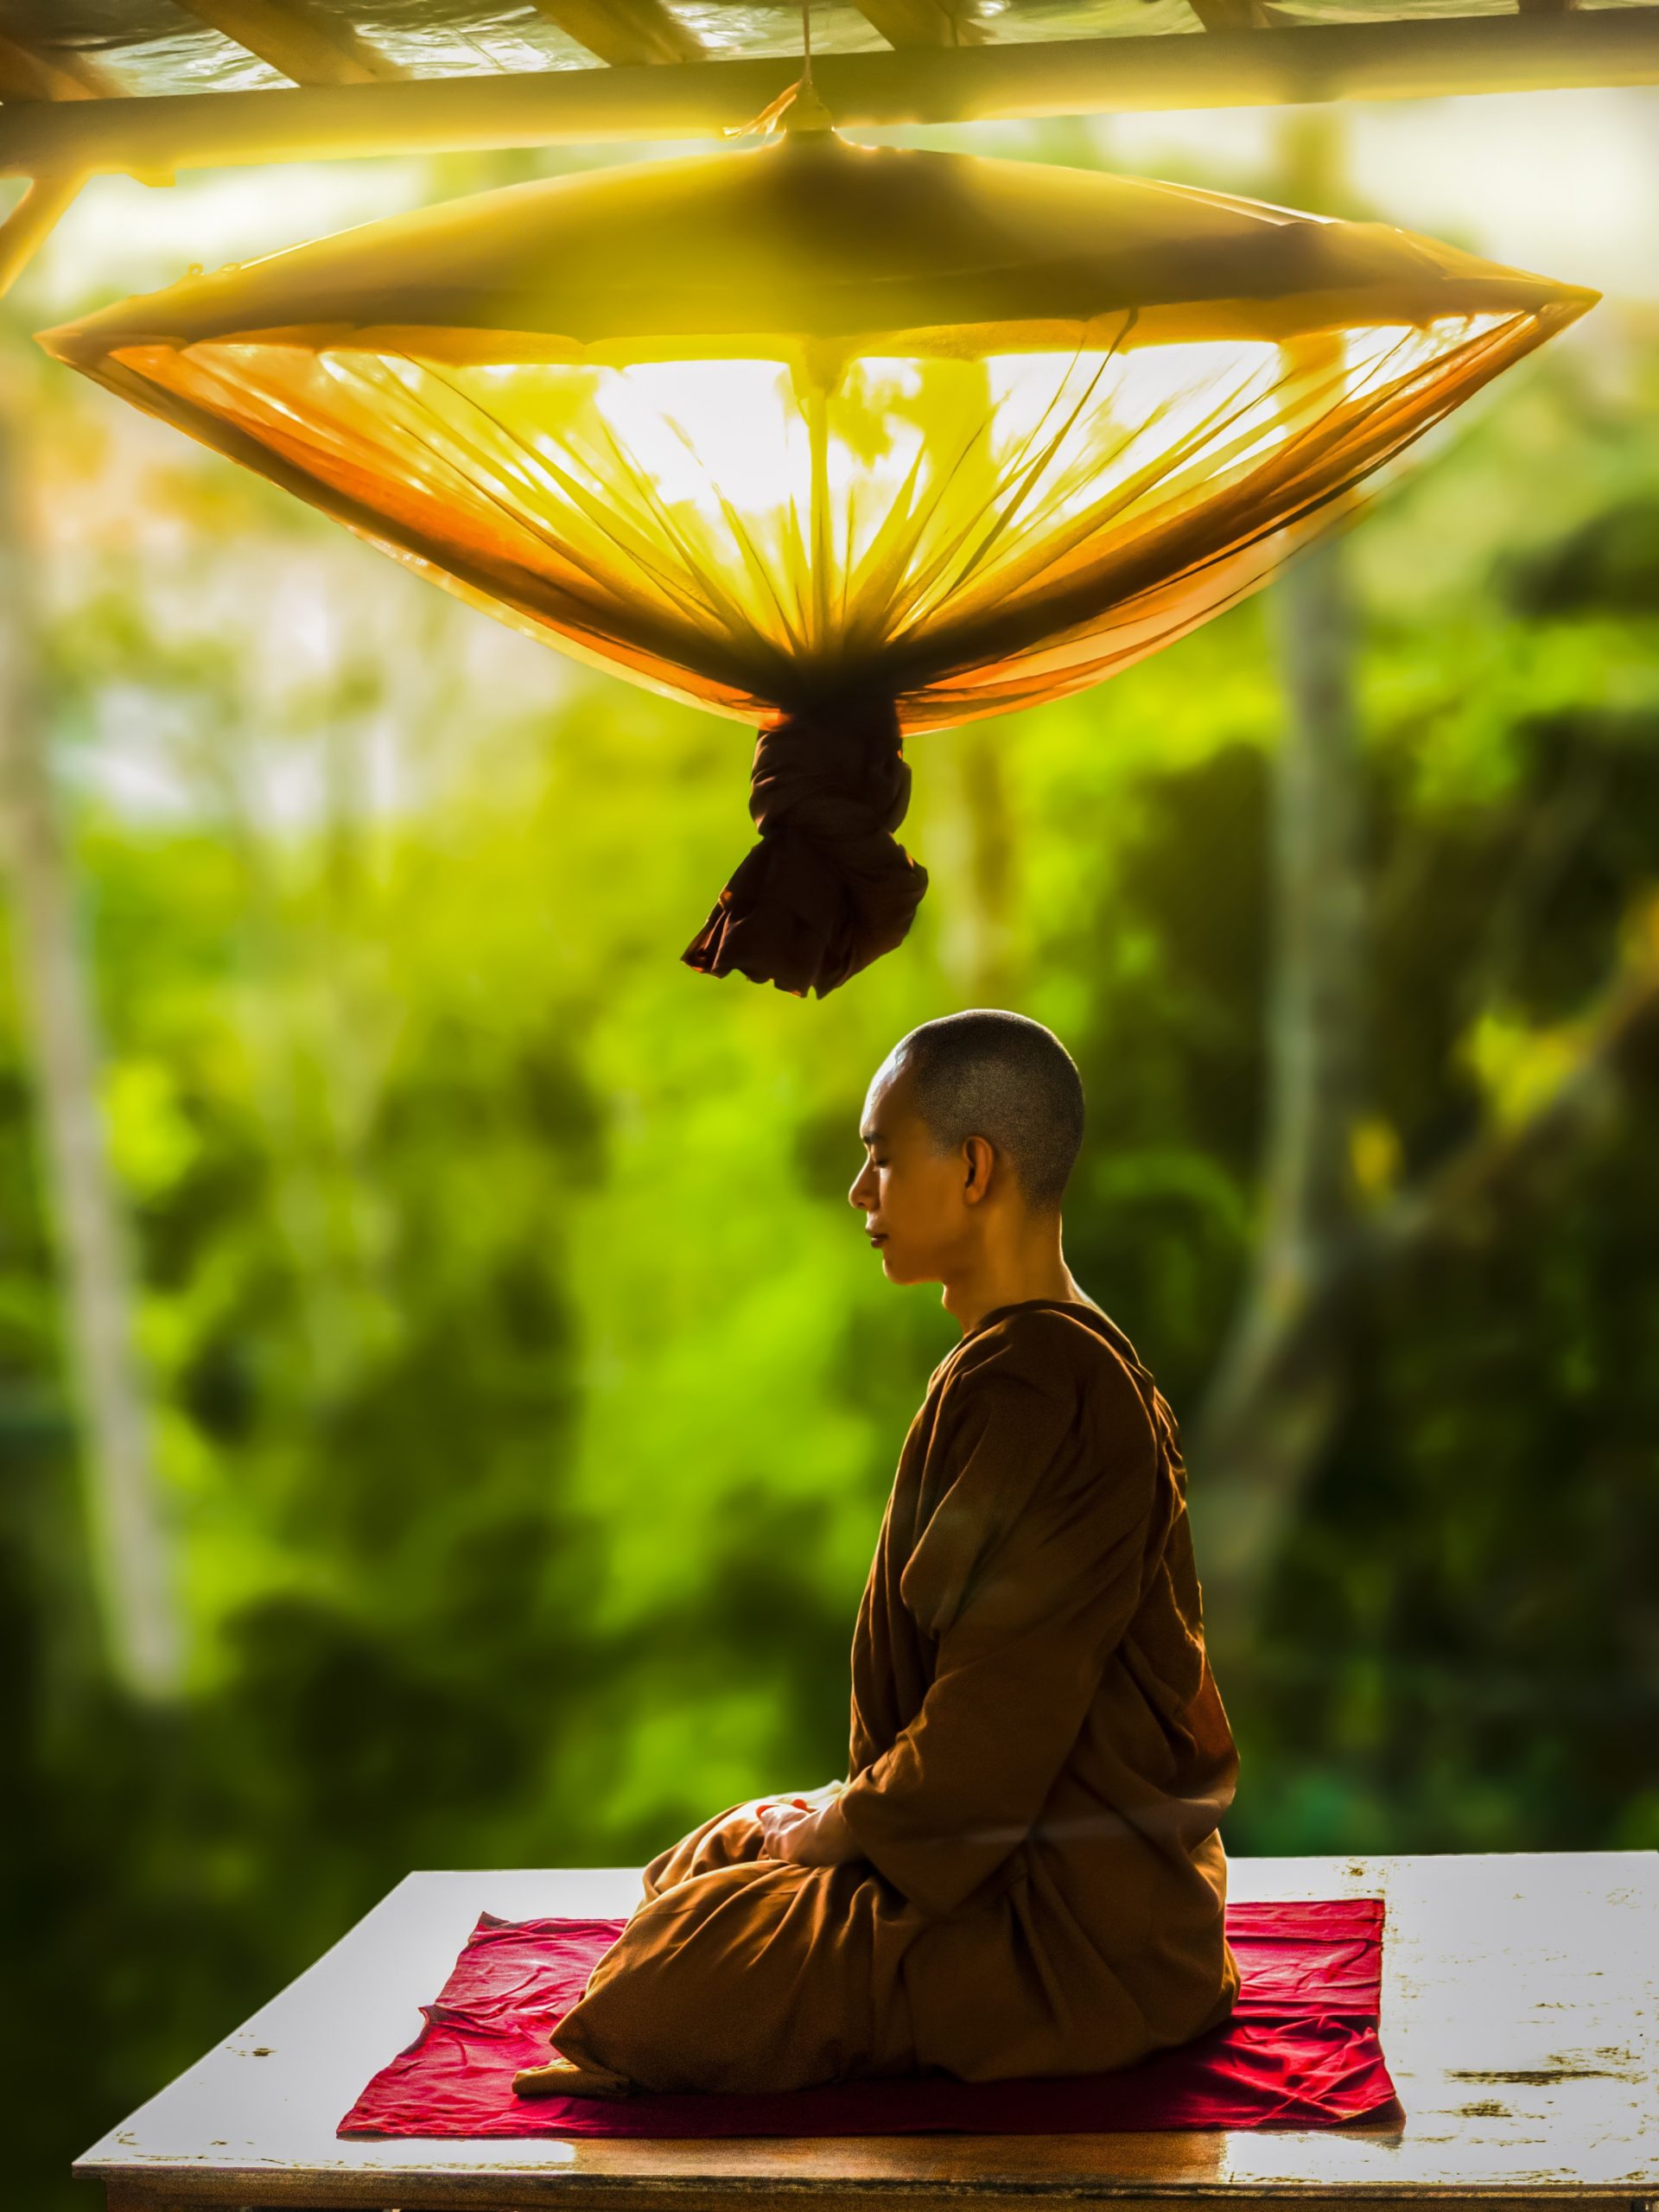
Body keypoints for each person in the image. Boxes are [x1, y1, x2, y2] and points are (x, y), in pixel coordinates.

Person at [514, 1008, 1241, 2098]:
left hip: (1075, 1926)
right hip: (985, 1838)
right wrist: (833, 1821)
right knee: (711, 1857)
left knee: (678, 1981)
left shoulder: (1055, 1385)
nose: (861, 1192)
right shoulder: (1020, 1361)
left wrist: (848, 1825)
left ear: (976, 1168)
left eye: (881, 1157)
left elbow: (994, 1730)